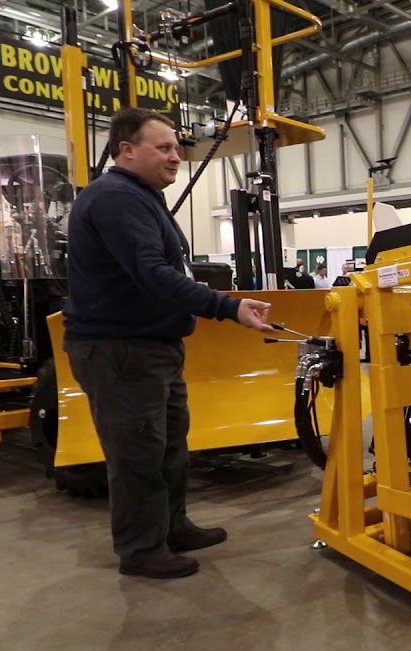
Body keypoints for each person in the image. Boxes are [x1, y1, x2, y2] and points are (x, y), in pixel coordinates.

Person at [62, 108, 274, 579]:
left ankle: (172, 527)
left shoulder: (141, 196)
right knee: (137, 455)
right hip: (120, 350)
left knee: (169, 448)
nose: (175, 156)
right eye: (164, 148)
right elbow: (153, 274)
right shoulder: (117, 198)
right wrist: (228, 306)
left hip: (151, 346)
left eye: (176, 148)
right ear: (126, 150)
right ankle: (140, 549)